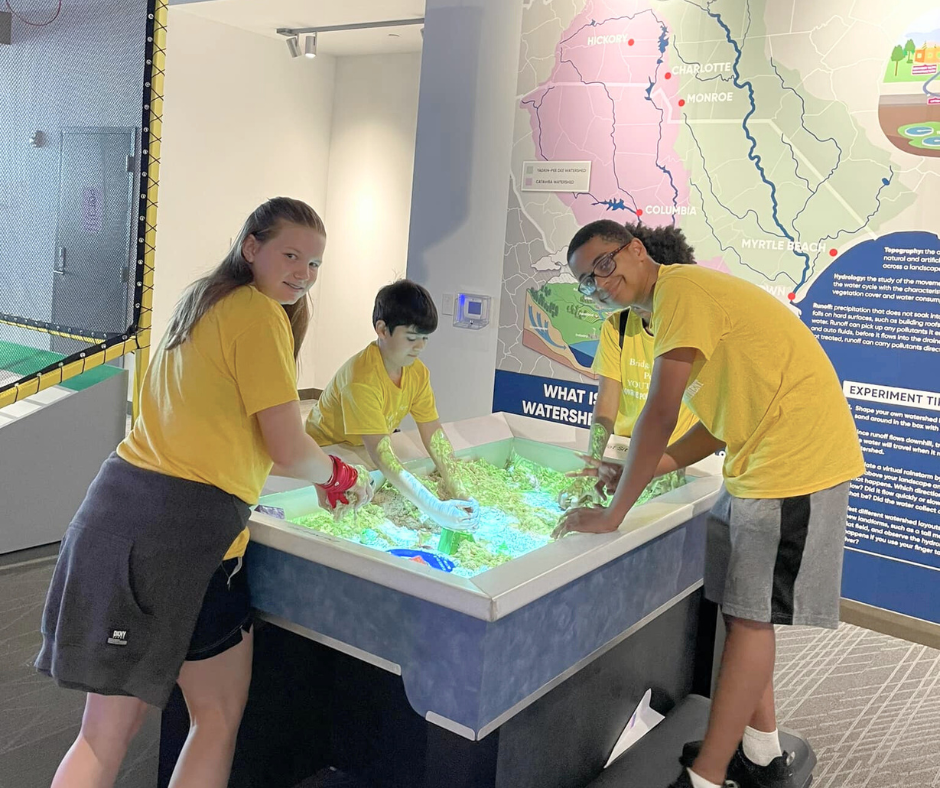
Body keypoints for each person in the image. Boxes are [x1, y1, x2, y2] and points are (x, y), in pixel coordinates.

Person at [36, 197, 373, 788]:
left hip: (112, 513)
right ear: (252, 247)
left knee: (101, 735)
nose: (303, 272)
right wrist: (343, 477)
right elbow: (289, 446)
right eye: (291, 254)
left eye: (315, 263)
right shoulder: (259, 314)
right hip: (186, 541)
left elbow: (222, 429)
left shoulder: (203, 300)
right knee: (215, 717)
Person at [556, 220, 864, 788]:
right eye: (585, 281)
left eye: (604, 264)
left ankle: (707, 776)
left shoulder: (681, 292)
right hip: (759, 456)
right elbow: (723, 420)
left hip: (794, 461)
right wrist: (642, 470)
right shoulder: (665, 309)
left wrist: (613, 513)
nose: (599, 283)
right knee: (744, 609)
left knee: (750, 620)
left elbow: (660, 410)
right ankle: (762, 751)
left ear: (636, 250)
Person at [305, 280, 479, 543]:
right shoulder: (361, 379)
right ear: (382, 329)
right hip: (328, 451)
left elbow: (433, 432)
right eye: (411, 338)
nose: (419, 347)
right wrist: (434, 508)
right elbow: (381, 455)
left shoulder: (417, 372)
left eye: (424, 338)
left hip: (362, 447)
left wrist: (459, 489)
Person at [572, 221, 699, 503]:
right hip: (623, 453)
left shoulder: (689, 325)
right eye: (590, 281)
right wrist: (594, 464)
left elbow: (664, 416)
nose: (603, 286)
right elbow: (607, 401)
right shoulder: (616, 326)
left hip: (668, 459)